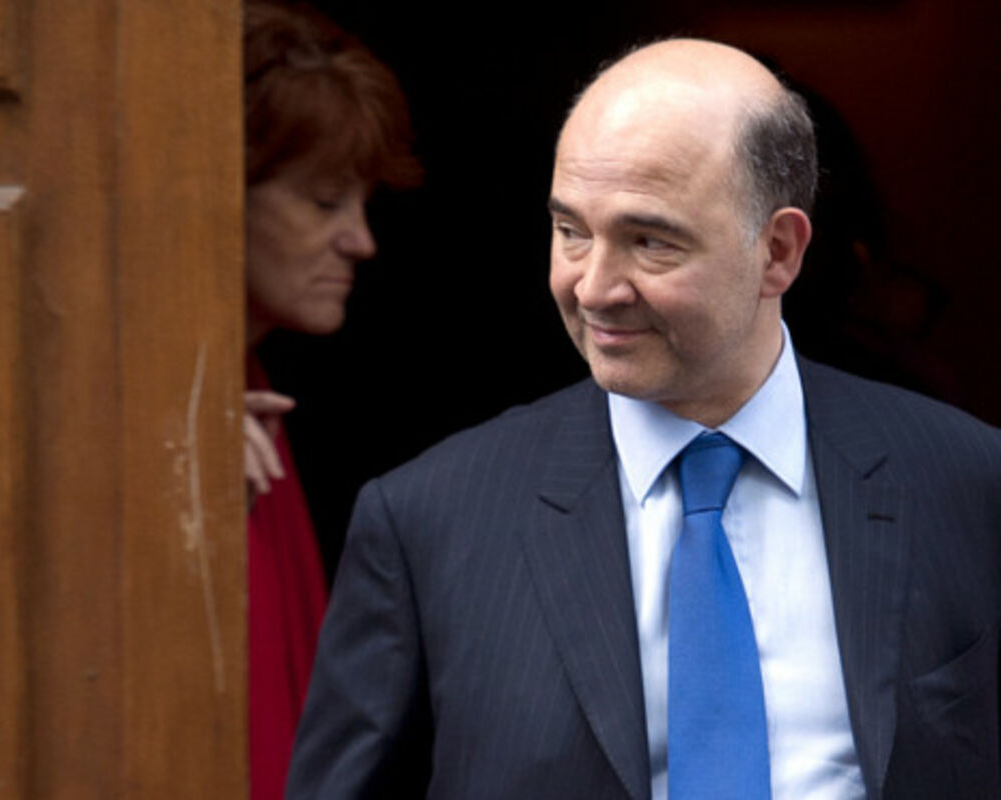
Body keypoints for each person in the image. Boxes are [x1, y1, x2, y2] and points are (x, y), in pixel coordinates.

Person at [286, 38, 1000, 800]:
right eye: (571, 231)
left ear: (778, 252)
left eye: (650, 241)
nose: (593, 287)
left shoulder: (969, 483)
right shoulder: (430, 521)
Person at [240, 3, 420, 799]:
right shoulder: (164, 415)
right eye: (323, 201)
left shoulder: (250, 396)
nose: (361, 240)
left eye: (361, 203)